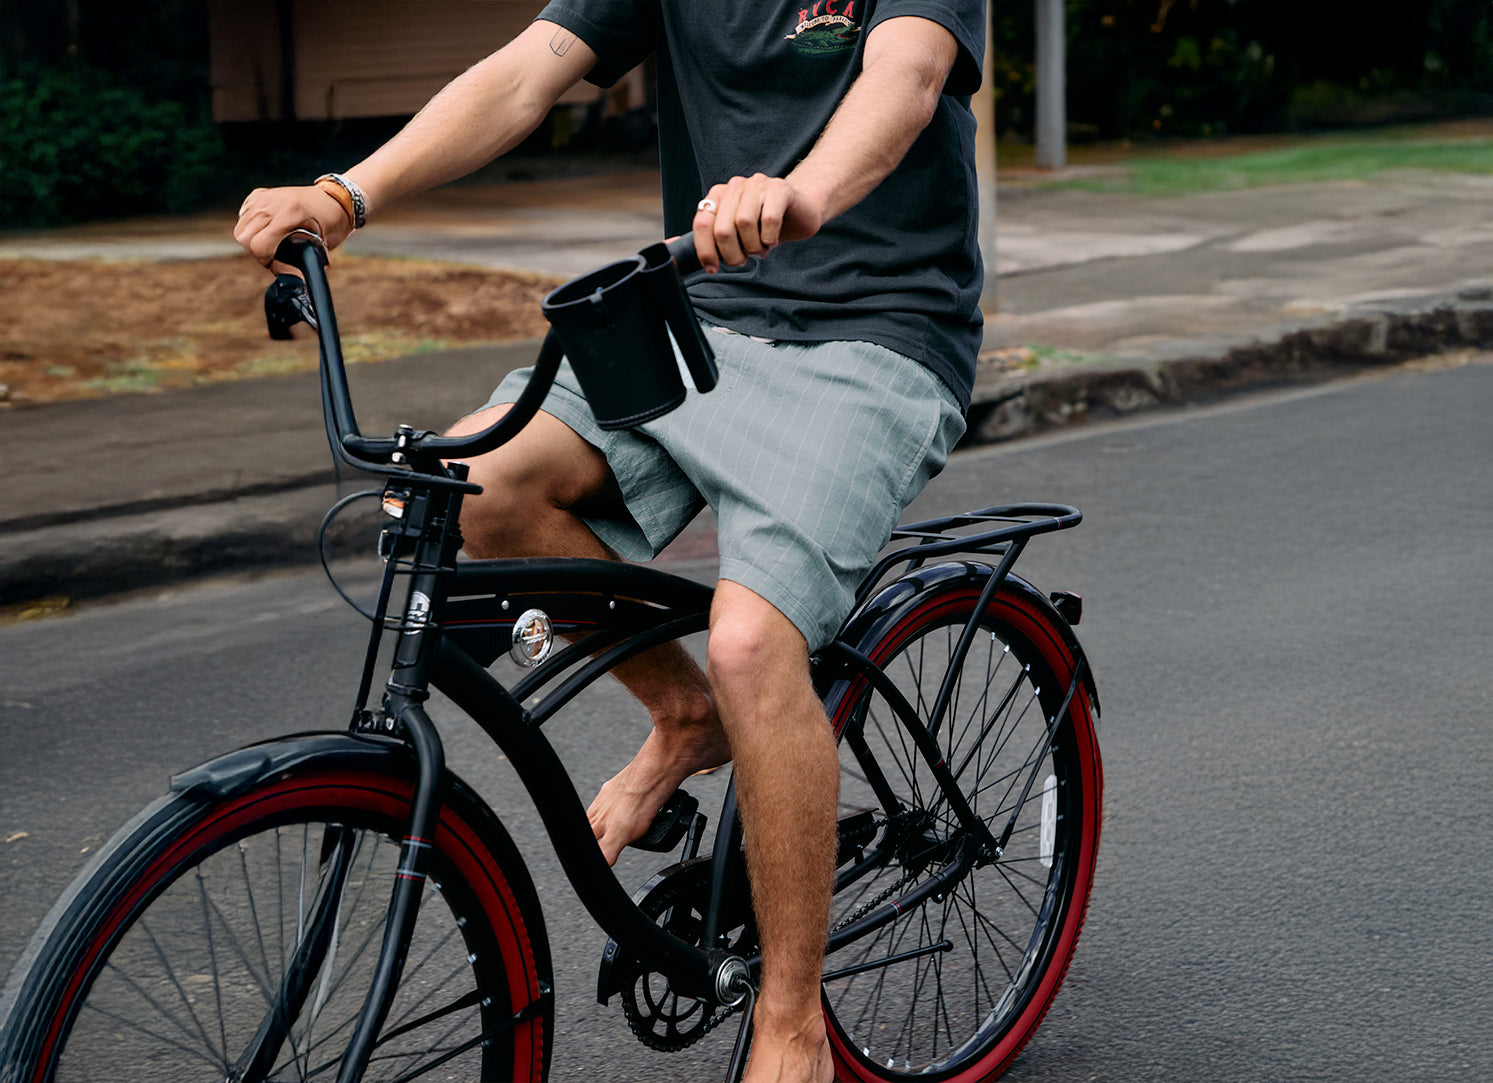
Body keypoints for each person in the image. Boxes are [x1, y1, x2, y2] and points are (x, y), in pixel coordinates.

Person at [236, 3, 984, 1080]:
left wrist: (804, 193)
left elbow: (904, 78)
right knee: (472, 487)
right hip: (695, 317)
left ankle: (792, 1024)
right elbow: (522, 75)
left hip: (875, 335)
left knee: (750, 645)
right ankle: (683, 713)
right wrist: (345, 195)